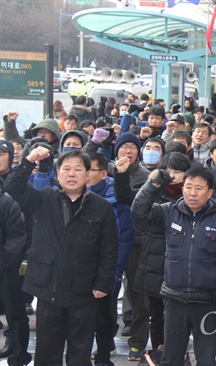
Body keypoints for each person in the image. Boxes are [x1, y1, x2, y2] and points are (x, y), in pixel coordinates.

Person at [5, 148, 118, 366]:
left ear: (88, 175)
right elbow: (13, 188)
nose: (72, 174)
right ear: (58, 174)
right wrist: (29, 160)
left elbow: (109, 249)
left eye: (78, 169)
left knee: (80, 352)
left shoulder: (101, 207)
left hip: (84, 290)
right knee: (47, 352)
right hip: (49, 288)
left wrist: (103, 283)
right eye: (66, 169)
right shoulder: (43, 198)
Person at [131, 166, 216, 365]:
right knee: (172, 358)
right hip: (174, 300)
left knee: (206, 359)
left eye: (199, 188)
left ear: (209, 193)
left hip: (207, 302)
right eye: (188, 187)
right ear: (182, 189)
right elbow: (138, 212)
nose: (192, 193)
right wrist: (153, 183)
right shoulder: (168, 212)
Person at [86, 153, 135, 366]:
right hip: (78, 268)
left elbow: (124, 238)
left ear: (104, 173)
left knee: (103, 317)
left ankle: (104, 357)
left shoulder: (115, 199)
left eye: (89, 170)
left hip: (105, 268)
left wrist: (114, 273)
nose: (83, 175)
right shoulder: (72, 195)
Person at [0, 175, 31, 366]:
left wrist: (4, 263)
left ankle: (19, 357)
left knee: (15, 313)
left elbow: (16, 238)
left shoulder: (6, 201)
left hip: (7, 265)